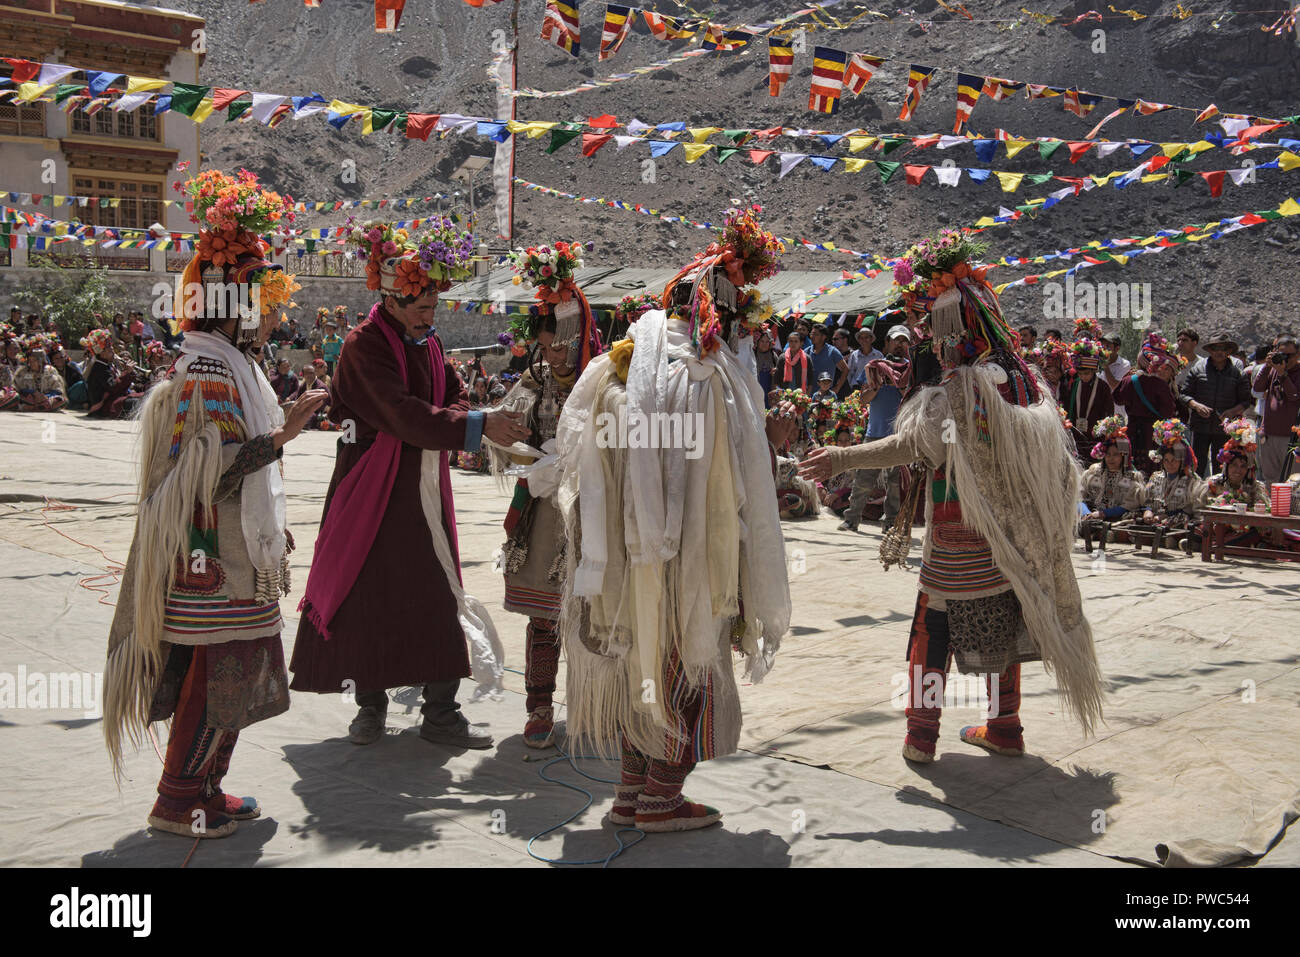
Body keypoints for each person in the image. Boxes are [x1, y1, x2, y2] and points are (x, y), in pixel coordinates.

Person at [801, 230, 1103, 764]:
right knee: (1007, 617)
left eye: (932, 328)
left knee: (930, 628)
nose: (928, 339)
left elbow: (909, 445)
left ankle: (921, 736)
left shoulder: (956, 393)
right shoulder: (1025, 384)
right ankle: (1005, 727)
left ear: (949, 328)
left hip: (954, 532)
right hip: (1010, 540)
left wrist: (842, 457)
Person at [550, 204, 794, 832]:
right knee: (685, 661)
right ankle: (663, 796)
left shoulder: (619, 367)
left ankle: (631, 791)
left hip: (627, 563)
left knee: (638, 659)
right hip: (690, 560)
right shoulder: (708, 376)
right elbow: (729, 482)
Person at [103, 168, 325, 840]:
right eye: (266, 299)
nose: (275, 313)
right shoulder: (205, 369)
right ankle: (179, 800)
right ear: (235, 303)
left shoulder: (233, 364)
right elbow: (203, 471)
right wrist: (281, 436)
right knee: (217, 671)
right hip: (209, 560)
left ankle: (205, 788)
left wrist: (269, 527)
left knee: (229, 669)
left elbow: (233, 467)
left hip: (232, 556)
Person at [290, 218, 522, 749]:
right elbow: (399, 413)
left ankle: (441, 712)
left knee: (435, 593)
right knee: (365, 594)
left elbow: (454, 395)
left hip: (420, 489)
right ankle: (368, 708)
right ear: (391, 302)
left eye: (433, 310)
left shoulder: (429, 343)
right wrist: (475, 424)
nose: (428, 319)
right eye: (420, 310)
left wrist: (468, 415)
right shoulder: (363, 346)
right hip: (372, 490)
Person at [490, 239, 604, 749]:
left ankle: (593, 708)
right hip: (542, 514)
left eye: (562, 344)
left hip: (591, 513)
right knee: (542, 617)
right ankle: (538, 708)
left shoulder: (603, 383)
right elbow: (503, 437)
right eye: (547, 345)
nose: (555, 354)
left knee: (592, 619)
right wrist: (533, 461)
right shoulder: (531, 382)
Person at [839, 324, 912, 533]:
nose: (900, 344)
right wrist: (876, 388)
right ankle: (852, 519)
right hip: (875, 433)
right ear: (887, 342)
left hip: (900, 434)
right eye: (896, 340)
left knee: (895, 483)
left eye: (904, 341)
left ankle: (890, 522)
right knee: (863, 479)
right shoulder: (874, 367)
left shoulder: (911, 370)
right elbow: (863, 400)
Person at [1113, 331, 1188, 475]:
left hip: (1133, 431)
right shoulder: (1160, 385)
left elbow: (1117, 398)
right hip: (1153, 435)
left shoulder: (1129, 380)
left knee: (1130, 466)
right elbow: (1169, 412)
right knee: (1152, 468)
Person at [1180, 330, 1251, 476]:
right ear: (1210, 350)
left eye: (1223, 348)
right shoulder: (1197, 369)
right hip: (1200, 426)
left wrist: (1232, 412)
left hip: (1225, 428)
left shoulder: (1238, 374)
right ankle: (1196, 496)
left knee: (1222, 466)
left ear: (1229, 351)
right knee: (1197, 465)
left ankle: (1219, 497)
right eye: (1215, 348)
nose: (1219, 352)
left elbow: (1246, 401)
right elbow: (1184, 394)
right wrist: (1196, 405)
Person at [1191, 419, 1269, 550]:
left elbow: (1263, 514)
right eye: (1234, 465)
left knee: (1254, 533)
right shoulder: (1213, 482)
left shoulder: (1255, 486)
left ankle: (1214, 546)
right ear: (1226, 466)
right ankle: (1222, 545)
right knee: (1195, 528)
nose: (1238, 470)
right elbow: (1200, 510)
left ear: (1248, 468)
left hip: (1241, 530)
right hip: (1215, 528)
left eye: (1243, 466)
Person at [1077, 416, 1145, 551]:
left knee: (1131, 520)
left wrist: (1103, 514)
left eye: (1116, 455)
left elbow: (1129, 505)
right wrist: (1085, 513)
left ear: (1124, 456)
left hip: (1115, 517)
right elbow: (1079, 496)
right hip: (1091, 514)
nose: (1111, 458)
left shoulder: (1132, 477)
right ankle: (1095, 530)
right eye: (1108, 454)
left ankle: (1108, 533)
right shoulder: (1093, 472)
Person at [1137, 419, 1204, 548]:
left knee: (1181, 521)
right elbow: (1148, 500)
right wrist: (1148, 511)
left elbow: (1190, 509)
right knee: (1137, 519)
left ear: (1182, 461)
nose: (1170, 464)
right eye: (1166, 460)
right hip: (1156, 518)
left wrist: (1166, 515)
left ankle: (1169, 539)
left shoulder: (1192, 481)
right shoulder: (1156, 477)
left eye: (1174, 460)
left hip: (1177, 519)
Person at [1252, 337, 1300, 483]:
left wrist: (1282, 374)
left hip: (1291, 437)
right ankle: (1271, 506)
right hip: (1269, 434)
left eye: (1288, 355)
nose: (1284, 359)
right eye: (1280, 354)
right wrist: (1268, 366)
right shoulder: (1272, 369)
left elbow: (1294, 396)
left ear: (1298, 354)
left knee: (1291, 480)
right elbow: (1257, 388)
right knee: (1270, 478)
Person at [1061, 338, 1115, 461]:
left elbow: (1108, 411)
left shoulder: (1102, 387)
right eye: (1080, 374)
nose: (1083, 377)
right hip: (1077, 434)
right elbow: (1069, 406)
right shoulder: (1074, 384)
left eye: (1086, 374)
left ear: (1093, 371)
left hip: (1095, 436)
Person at [12, 339, 67, 412]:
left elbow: (58, 390)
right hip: (28, 399)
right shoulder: (22, 371)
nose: (32, 363)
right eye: (30, 361)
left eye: (34, 360)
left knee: (61, 400)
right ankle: (36, 406)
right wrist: (32, 393)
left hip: (46, 398)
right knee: (14, 398)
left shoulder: (50, 370)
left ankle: (39, 406)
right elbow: (16, 388)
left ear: (41, 361)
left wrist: (45, 397)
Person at [806, 323, 848, 395]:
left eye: (815, 334)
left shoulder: (832, 351)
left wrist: (837, 388)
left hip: (826, 397)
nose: (812, 336)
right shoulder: (806, 351)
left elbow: (845, 369)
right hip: (808, 395)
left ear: (823, 337)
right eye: (811, 334)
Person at [1099, 332, 1131, 419]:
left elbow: (1115, 386)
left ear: (1117, 348)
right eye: (1103, 346)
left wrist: (1105, 366)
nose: (1104, 349)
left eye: (1108, 346)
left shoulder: (1124, 364)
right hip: (1100, 411)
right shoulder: (1098, 362)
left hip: (1117, 413)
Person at [843, 324, 883, 391]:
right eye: (861, 338)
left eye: (866, 337)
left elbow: (882, 372)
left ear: (871, 339)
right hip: (856, 388)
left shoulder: (878, 355)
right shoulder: (854, 355)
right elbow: (850, 373)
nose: (864, 340)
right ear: (859, 340)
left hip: (873, 388)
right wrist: (852, 385)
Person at [777, 329, 813, 394]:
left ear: (801, 343)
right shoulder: (782, 357)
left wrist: (807, 394)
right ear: (788, 342)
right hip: (784, 393)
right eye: (791, 341)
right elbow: (777, 377)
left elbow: (811, 378)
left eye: (796, 341)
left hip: (801, 394)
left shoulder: (807, 358)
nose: (793, 343)